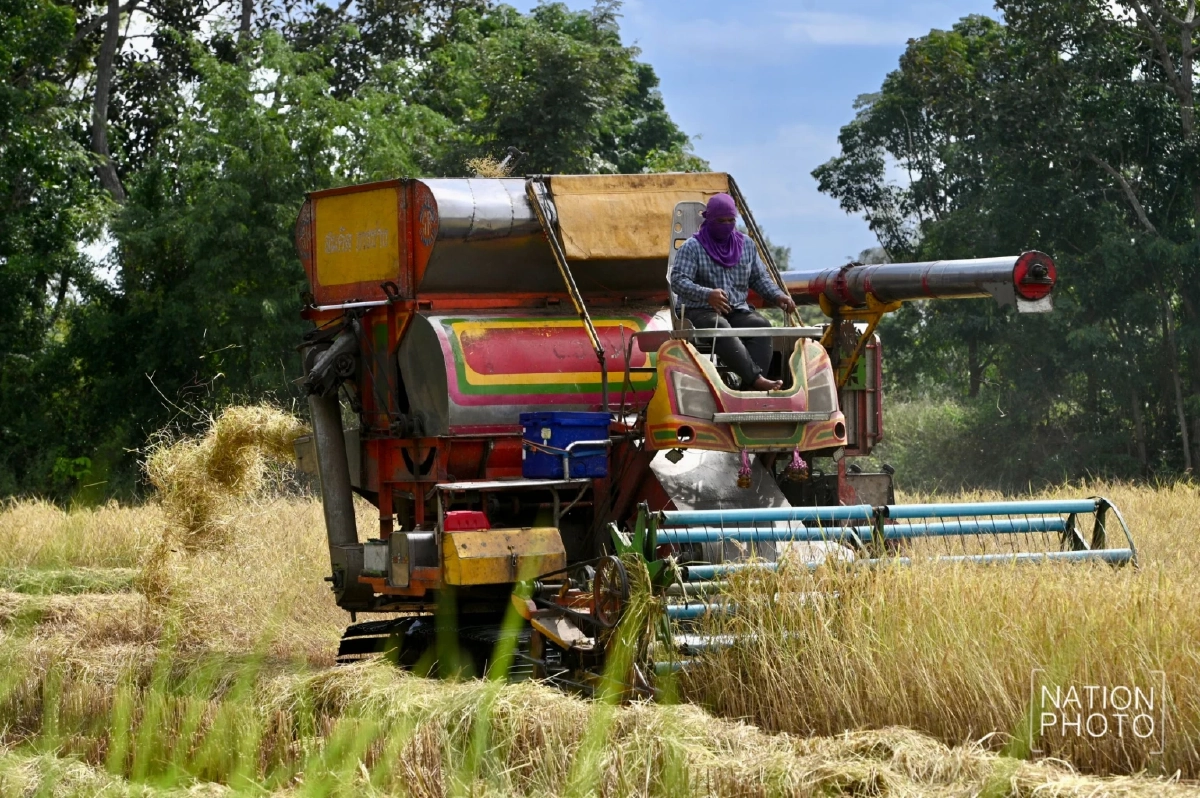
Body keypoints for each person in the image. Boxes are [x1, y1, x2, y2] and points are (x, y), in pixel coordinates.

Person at [669, 193, 797, 391]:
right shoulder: (693, 247)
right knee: (720, 327)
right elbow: (678, 281)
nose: (726, 225)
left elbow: (759, 278)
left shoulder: (746, 245)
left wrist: (778, 295)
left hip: (736, 309)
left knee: (761, 326)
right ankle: (757, 380)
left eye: (731, 220)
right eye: (721, 221)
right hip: (700, 311)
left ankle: (749, 390)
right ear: (709, 220)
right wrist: (707, 294)